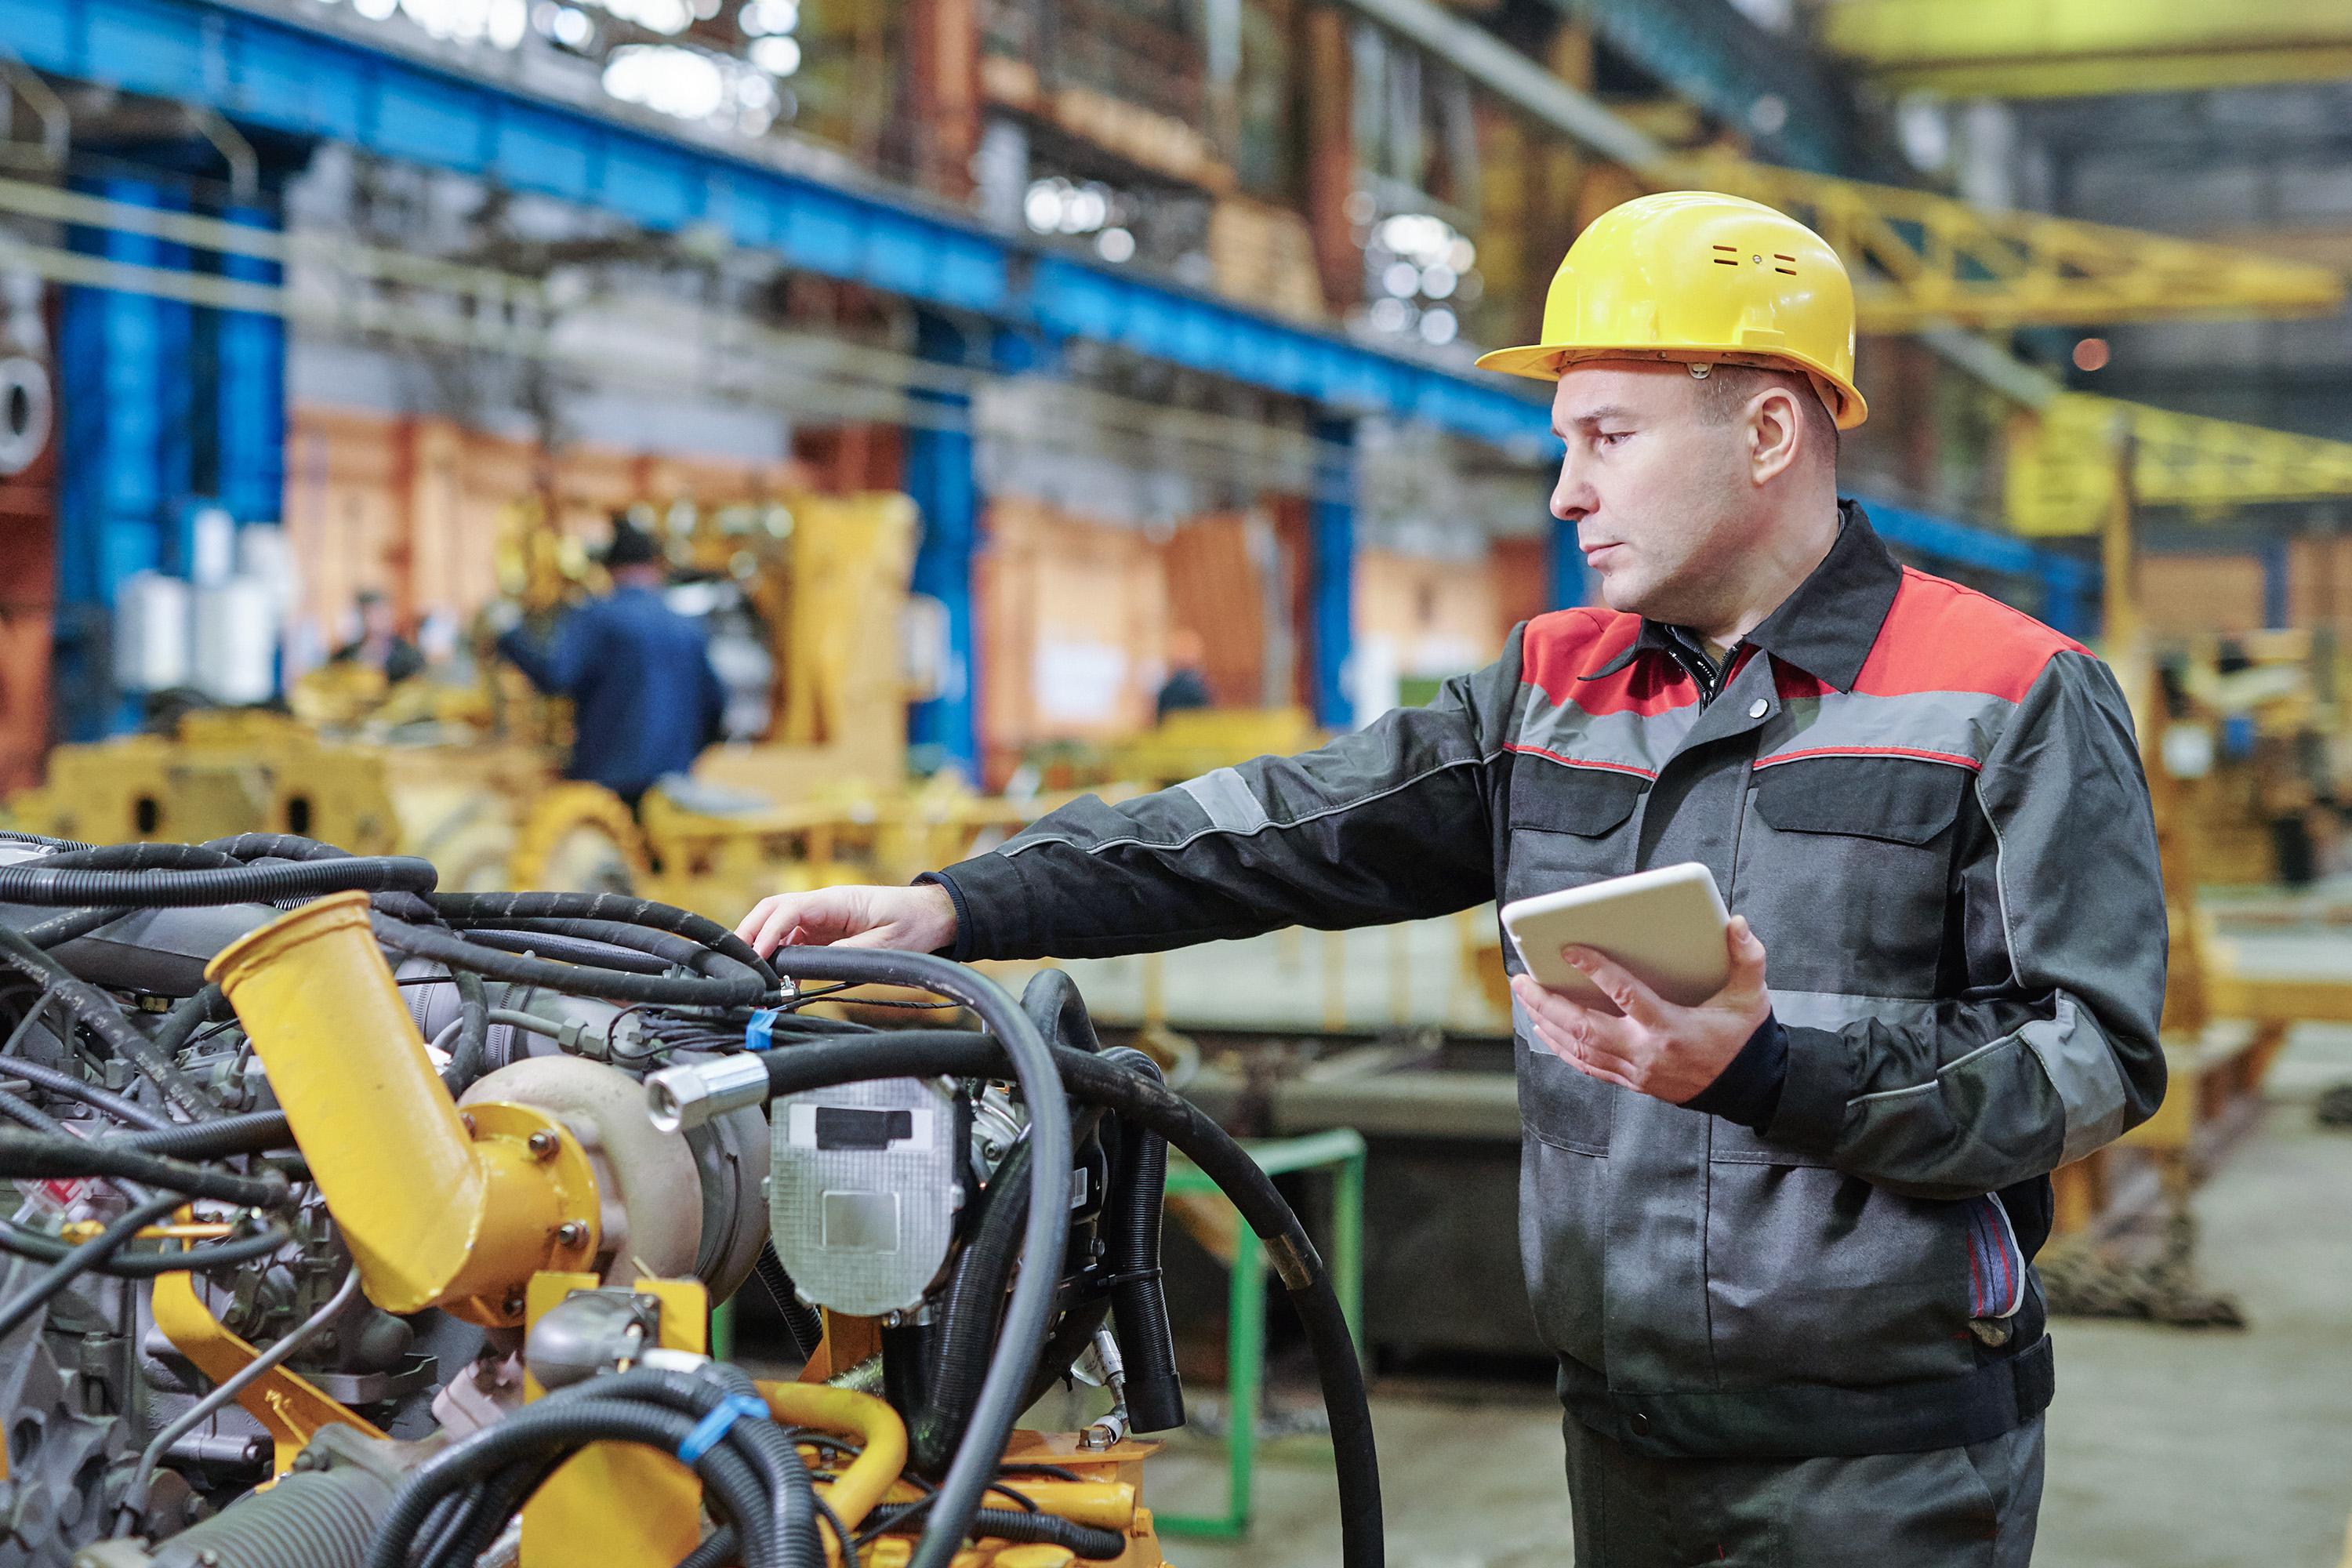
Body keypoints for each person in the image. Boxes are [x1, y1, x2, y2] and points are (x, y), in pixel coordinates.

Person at [734, 192, 2169, 1565]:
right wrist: (962, 904)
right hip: (1624, 1432)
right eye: (1567, 440)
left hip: (1889, 1464)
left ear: (1772, 431)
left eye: (1609, 435)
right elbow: (1273, 826)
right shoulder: (1555, 688)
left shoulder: (2008, 694)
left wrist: (1770, 1068)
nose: (1567, 489)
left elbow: (2089, 1056)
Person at [495, 516, 727, 814]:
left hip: (609, 781)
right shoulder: (687, 626)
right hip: (673, 784)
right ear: (655, 568)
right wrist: (683, 755)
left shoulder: (599, 618)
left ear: (610, 569)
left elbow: (556, 675)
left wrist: (510, 637)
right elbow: (716, 705)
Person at [331, 590, 426, 684]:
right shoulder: (345, 654)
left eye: (380, 613)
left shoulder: (409, 656)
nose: (375, 620)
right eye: (369, 613)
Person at [1153, 628, 1214, 722]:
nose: (1185, 655)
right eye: (1182, 651)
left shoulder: (1201, 683)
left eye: (1189, 651)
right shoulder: (1169, 686)